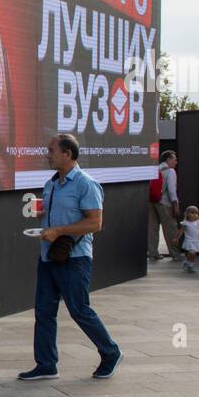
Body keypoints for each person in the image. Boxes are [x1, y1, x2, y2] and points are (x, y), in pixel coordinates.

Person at [19, 134, 121, 382]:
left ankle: (110, 352)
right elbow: (51, 218)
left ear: (67, 154)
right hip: (48, 257)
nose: (47, 154)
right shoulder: (51, 184)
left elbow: (95, 223)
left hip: (74, 259)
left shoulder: (86, 184)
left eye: (51, 150)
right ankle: (46, 364)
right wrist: (40, 216)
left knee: (79, 310)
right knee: (44, 312)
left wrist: (58, 231)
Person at [148, 150, 182, 261]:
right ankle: (175, 254)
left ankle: (153, 253)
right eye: (174, 159)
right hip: (164, 203)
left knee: (152, 228)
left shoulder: (155, 169)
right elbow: (172, 190)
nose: (176, 162)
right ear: (168, 159)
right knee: (171, 228)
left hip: (151, 202)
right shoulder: (170, 171)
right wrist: (175, 205)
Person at [176, 206, 199, 274]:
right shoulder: (185, 223)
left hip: (196, 241)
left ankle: (187, 263)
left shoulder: (198, 222)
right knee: (192, 253)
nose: (194, 214)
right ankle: (190, 265)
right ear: (187, 214)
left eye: (196, 213)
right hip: (189, 241)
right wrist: (177, 238)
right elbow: (180, 231)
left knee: (193, 255)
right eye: (192, 212)